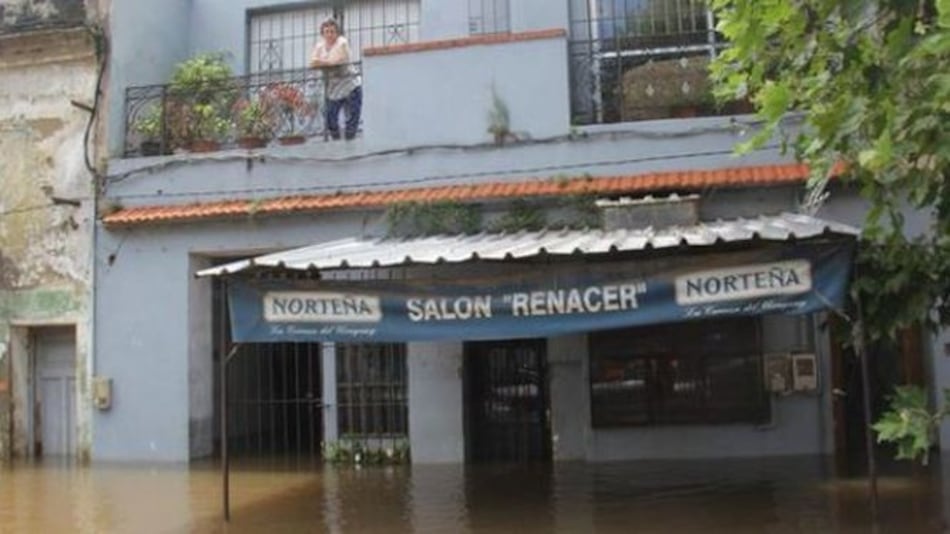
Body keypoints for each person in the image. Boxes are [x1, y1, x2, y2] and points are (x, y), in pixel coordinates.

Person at [309, 18, 362, 140]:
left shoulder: (342, 42)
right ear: (322, 34)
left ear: (337, 33)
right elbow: (312, 63)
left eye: (332, 31)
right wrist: (326, 62)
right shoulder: (320, 46)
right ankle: (337, 141)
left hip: (350, 86)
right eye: (326, 31)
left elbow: (337, 61)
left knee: (352, 120)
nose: (329, 34)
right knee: (330, 119)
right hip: (333, 90)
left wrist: (322, 62)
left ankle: (350, 142)